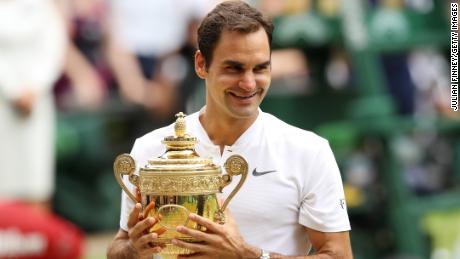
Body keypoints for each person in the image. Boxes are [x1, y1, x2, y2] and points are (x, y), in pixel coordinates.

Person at [107, 1, 352, 258]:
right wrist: (134, 248)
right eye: (233, 68)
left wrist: (246, 254)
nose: (248, 83)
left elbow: (339, 255)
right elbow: (118, 247)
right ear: (201, 64)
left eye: (260, 68)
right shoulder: (151, 148)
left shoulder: (309, 151)